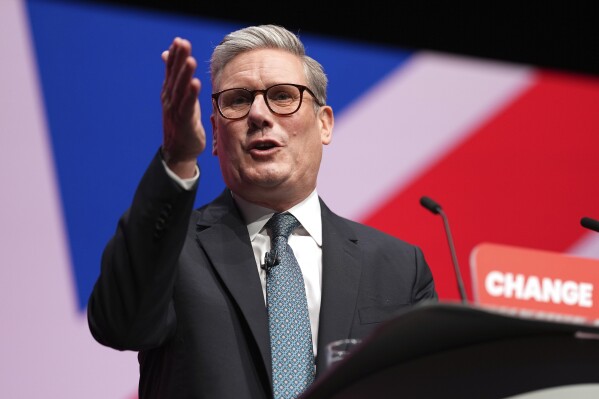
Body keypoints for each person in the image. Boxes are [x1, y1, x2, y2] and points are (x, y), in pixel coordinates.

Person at [87, 24, 437, 399]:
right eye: (237, 100)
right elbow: (119, 325)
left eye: (283, 96)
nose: (258, 114)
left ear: (324, 124)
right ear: (216, 136)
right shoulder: (173, 251)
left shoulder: (399, 267)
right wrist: (177, 157)